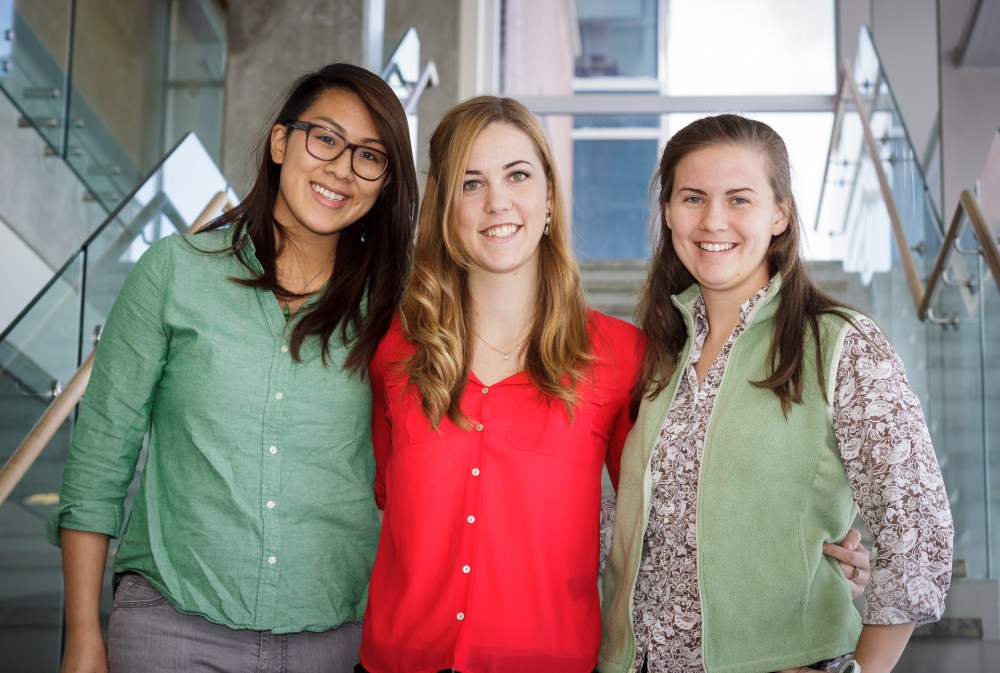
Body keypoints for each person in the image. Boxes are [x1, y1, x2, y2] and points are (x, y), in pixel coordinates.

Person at [355, 97, 869, 673]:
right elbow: (387, 502)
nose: (498, 201)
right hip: (396, 660)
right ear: (445, 207)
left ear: (549, 196)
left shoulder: (622, 356)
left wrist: (809, 559)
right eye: (471, 183)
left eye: (518, 175)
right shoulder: (395, 351)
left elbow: (667, 511)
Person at [45, 63, 418, 673]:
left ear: (384, 182)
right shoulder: (173, 272)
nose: (341, 169)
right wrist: (84, 633)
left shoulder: (395, 309)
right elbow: (99, 462)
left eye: (369, 156)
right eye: (325, 138)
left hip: (333, 639)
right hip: (172, 630)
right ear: (280, 143)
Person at [599, 114, 954, 673]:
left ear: (780, 214)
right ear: (668, 213)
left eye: (739, 198)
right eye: (692, 197)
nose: (713, 219)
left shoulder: (841, 345)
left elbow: (917, 529)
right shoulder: (656, 357)